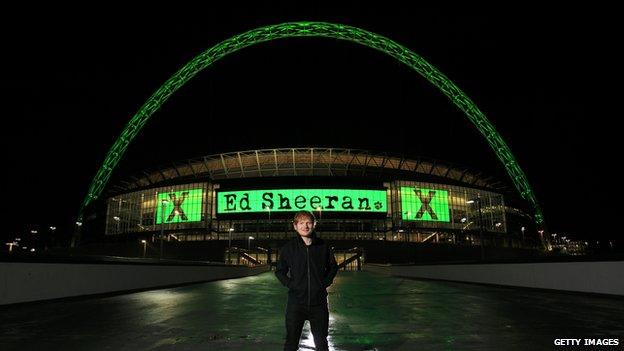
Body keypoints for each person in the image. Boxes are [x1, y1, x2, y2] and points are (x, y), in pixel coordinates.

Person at [275, 210, 338, 351]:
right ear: (295, 226)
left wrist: (323, 283)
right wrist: (292, 285)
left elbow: (333, 267)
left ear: (314, 224)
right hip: (296, 304)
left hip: (319, 304)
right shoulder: (288, 248)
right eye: (301, 223)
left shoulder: (323, 246)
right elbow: (280, 272)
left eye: (308, 222)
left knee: (321, 343)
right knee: (291, 343)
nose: (305, 226)